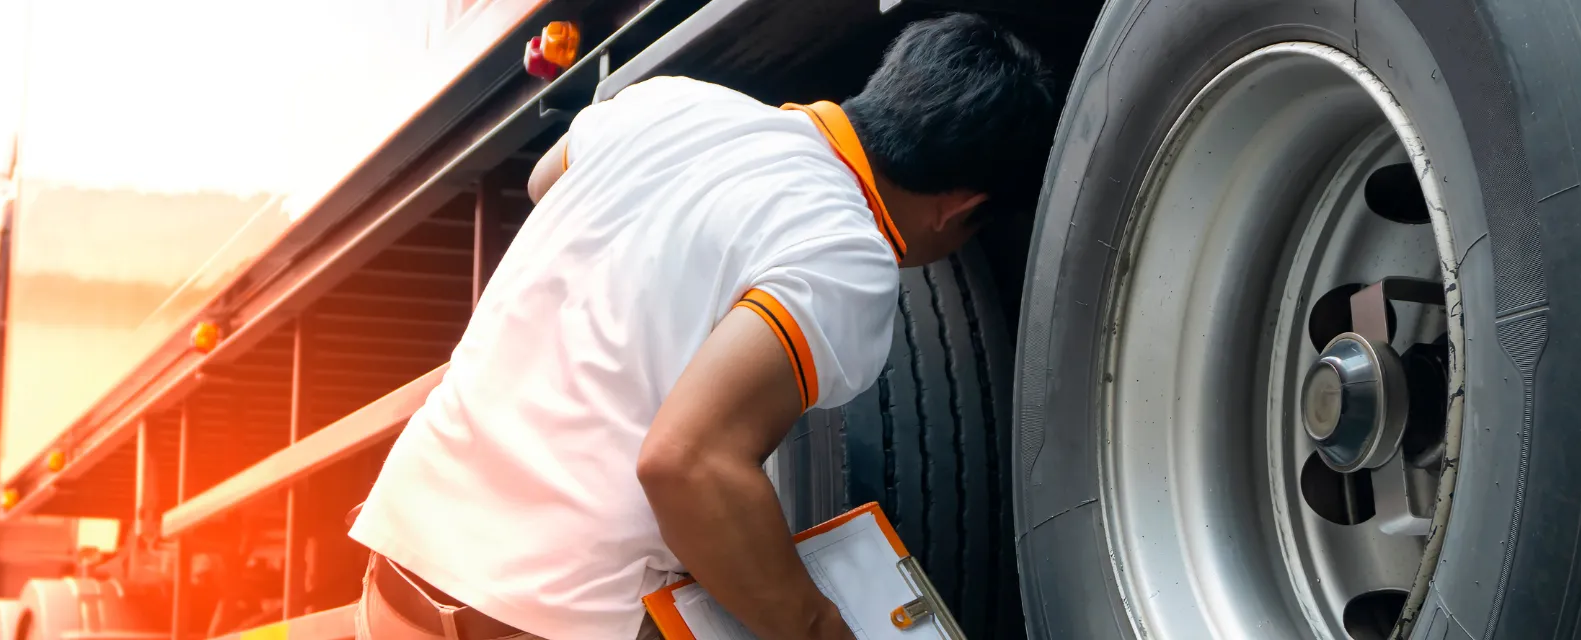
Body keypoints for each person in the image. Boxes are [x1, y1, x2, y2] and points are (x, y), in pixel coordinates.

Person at [346, 12, 1056, 640]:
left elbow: (543, 183)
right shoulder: (844, 251)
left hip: (402, 577)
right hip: (540, 620)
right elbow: (687, 462)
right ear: (960, 207)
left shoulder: (667, 102)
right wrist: (816, 628)